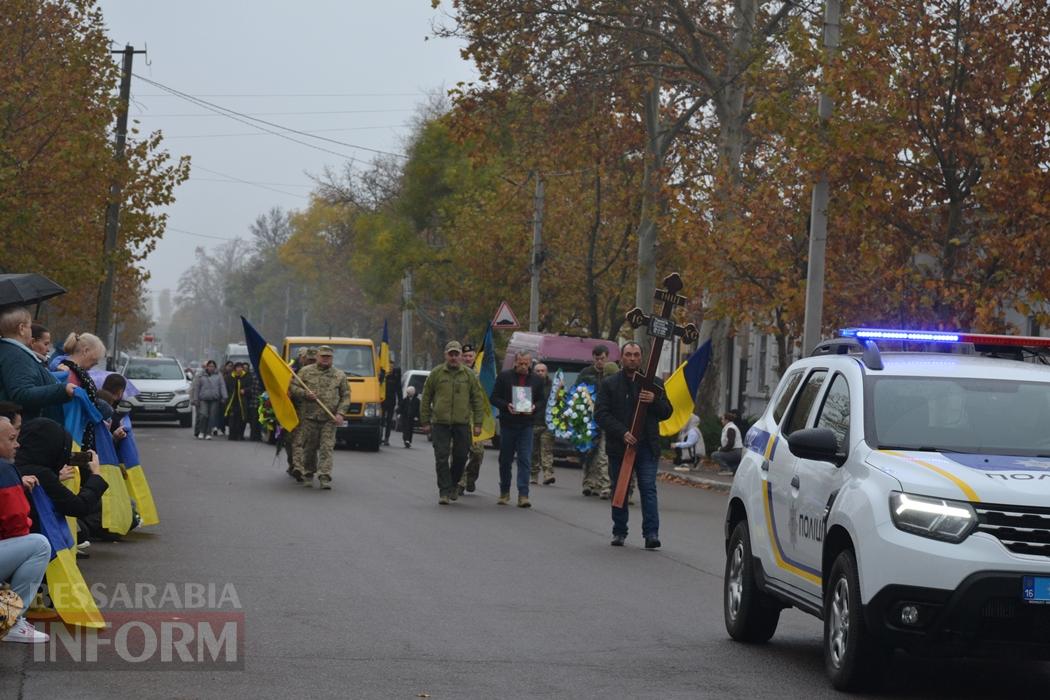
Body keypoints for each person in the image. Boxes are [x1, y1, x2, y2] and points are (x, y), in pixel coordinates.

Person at [596, 341, 673, 549]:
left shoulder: (654, 383)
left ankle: (651, 533)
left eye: (636, 355)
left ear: (641, 358)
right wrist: (623, 433)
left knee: (648, 489)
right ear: (622, 358)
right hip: (619, 446)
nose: (632, 358)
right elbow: (601, 414)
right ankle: (619, 531)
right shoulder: (610, 384)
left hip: (647, 446)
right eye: (628, 354)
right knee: (619, 488)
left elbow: (667, 412)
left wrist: (654, 400)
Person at [0, 416, 51, 643]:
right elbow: (17, 523)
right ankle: (8, 621)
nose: (17, 444)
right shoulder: (3, 469)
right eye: (12, 438)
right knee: (38, 544)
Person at [419, 341, 486, 505]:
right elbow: (426, 397)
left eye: (457, 354)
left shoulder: (468, 375)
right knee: (441, 457)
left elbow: (477, 400)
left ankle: (454, 484)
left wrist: (478, 423)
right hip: (440, 423)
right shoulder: (436, 373)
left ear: (461, 356)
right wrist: (425, 421)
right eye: (451, 354)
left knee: (461, 456)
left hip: (461, 423)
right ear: (446, 355)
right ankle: (444, 491)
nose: (454, 357)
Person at [14, 418, 109, 522]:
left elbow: (62, 457)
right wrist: (96, 476)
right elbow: (79, 507)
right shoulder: (41, 473)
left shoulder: (13, 463)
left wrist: (56, 477)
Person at [0, 306, 75, 423]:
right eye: (29, 326)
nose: (31, 331)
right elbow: (22, 394)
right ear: (21, 328)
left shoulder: (9, 351)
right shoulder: (16, 355)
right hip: (27, 429)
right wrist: (62, 390)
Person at [289, 345, 349, 489]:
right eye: (323, 356)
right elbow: (293, 387)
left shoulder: (339, 375)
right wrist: (305, 394)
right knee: (309, 449)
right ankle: (309, 474)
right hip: (310, 418)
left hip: (329, 419)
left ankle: (324, 476)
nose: (325, 359)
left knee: (326, 448)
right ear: (317, 357)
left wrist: (341, 413)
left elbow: (346, 396)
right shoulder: (305, 372)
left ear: (332, 358)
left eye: (328, 357)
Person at [490, 351, 544, 508]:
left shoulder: (536, 380)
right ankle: (504, 492)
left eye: (526, 363)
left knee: (525, 459)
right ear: (515, 362)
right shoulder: (504, 377)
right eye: (520, 363)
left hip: (526, 424)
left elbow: (542, 400)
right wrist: (507, 406)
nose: (523, 366)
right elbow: (493, 397)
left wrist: (534, 407)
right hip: (508, 424)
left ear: (530, 363)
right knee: (505, 459)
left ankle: (523, 494)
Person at [56, 332, 107, 451]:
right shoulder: (72, 374)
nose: (95, 364)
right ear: (86, 351)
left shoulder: (69, 370)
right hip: (76, 434)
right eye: (94, 360)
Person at [577, 345, 613, 499]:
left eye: (602, 358)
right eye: (597, 359)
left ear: (607, 357)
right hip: (588, 419)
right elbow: (577, 391)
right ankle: (588, 483)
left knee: (603, 454)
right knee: (589, 452)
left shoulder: (611, 374)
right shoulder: (586, 373)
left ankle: (604, 485)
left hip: (605, 418)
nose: (599, 362)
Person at [457, 343, 486, 496]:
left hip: (476, 418)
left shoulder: (482, 374)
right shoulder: (457, 373)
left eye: (470, 356)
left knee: (477, 453)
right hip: (459, 418)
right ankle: (459, 482)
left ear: (475, 357)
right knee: (459, 452)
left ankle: (470, 478)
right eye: (465, 356)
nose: (468, 358)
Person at [284, 347, 317, 477]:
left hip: (312, 412)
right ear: (302, 358)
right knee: (290, 440)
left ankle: (303, 467)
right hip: (294, 410)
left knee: (308, 442)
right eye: (306, 358)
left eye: (313, 359)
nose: (309, 361)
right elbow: (289, 387)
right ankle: (293, 464)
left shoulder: (319, 371)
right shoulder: (293, 370)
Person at [530, 362, 555, 486]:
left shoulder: (553, 387)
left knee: (547, 450)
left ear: (547, 372)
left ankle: (548, 474)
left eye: (542, 370)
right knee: (533, 451)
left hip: (547, 424)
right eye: (537, 371)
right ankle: (534, 475)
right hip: (533, 422)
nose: (540, 373)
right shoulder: (529, 384)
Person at [190, 360, 227, 440]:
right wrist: (195, 399)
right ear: (207, 367)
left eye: (213, 366)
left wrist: (224, 396)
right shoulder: (201, 375)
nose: (211, 368)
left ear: (215, 367)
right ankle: (201, 431)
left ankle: (208, 433)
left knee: (212, 417)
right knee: (203, 415)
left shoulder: (218, 375)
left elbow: (222, 386)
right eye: (209, 366)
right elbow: (196, 388)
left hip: (214, 399)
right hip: (203, 399)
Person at [223, 362, 250, 441]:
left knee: (241, 419)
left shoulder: (247, 377)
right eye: (238, 367)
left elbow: (251, 387)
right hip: (232, 402)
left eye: (241, 367)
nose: (239, 369)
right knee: (232, 419)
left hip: (242, 402)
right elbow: (226, 388)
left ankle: (240, 435)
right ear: (235, 369)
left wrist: (245, 390)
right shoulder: (229, 377)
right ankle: (232, 435)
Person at [712, 411, 744, 476]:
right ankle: (733, 469)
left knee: (715, 455)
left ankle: (726, 469)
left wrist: (721, 449)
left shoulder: (730, 428)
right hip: (736, 452)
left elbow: (730, 443)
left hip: (735, 452)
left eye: (722, 419)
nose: (721, 421)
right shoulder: (730, 427)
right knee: (729, 462)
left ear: (727, 420)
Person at [381, 366, 401, 446]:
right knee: (381, 420)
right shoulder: (386, 377)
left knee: (389, 421)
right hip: (383, 401)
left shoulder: (397, 379)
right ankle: (380, 436)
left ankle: (386, 438)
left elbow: (399, 392)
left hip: (391, 402)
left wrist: (400, 403)